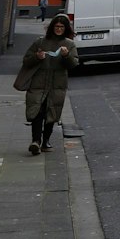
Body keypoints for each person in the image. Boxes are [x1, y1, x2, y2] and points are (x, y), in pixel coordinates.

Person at [19, 15, 78, 155]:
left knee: (52, 112)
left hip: (57, 84)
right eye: (56, 27)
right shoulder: (40, 42)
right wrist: (37, 57)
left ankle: (46, 141)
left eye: (62, 27)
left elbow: (73, 64)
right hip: (38, 82)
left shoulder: (69, 44)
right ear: (52, 27)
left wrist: (66, 56)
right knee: (36, 111)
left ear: (66, 29)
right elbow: (26, 60)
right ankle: (36, 141)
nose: (58, 29)